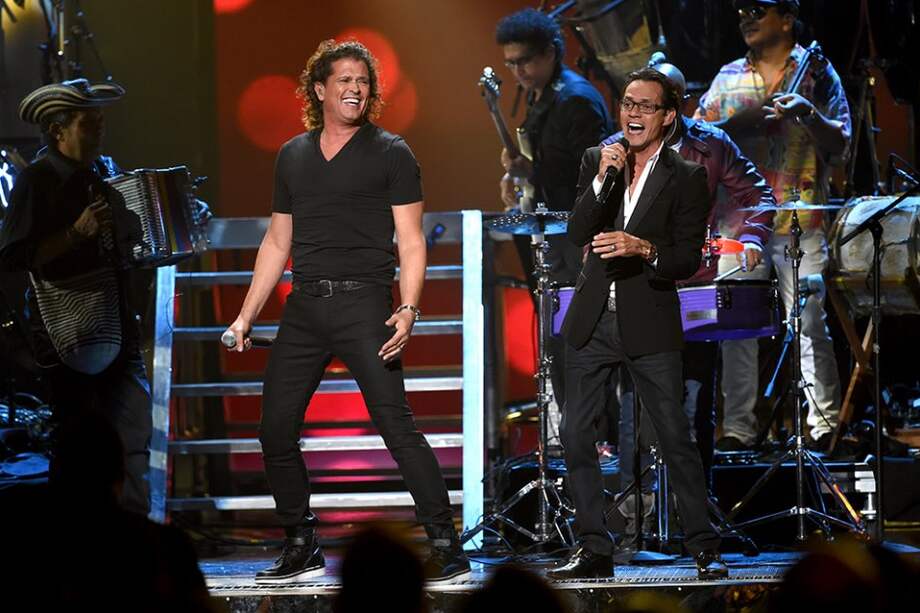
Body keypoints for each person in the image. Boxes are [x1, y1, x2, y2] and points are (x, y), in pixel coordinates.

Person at [224, 39, 468, 584]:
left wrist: (408, 308)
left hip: (365, 305)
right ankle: (301, 542)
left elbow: (411, 240)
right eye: (344, 80)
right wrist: (245, 316)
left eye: (363, 80)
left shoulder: (391, 152)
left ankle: (446, 545)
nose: (355, 88)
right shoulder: (292, 154)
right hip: (305, 306)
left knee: (395, 425)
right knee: (275, 429)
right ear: (319, 90)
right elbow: (276, 241)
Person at [547, 68, 727, 580]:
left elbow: (686, 259)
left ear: (668, 117)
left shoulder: (687, 177)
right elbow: (578, 230)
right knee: (576, 433)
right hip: (591, 318)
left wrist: (642, 247)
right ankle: (594, 545)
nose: (633, 114)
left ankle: (704, 547)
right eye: (628, 103)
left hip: (647, 318)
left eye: (646, 106)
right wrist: (604, 177)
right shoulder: (597, 160)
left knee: (672, 434)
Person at [609, 58, 776, 511]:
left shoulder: (711, 145)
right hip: (635, 286)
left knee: (695, 400)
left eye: (655, 100)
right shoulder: (615, 149)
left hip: (693, 284)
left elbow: (758, 195)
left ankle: (693, 511)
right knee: (637, 403)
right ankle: (635, 511)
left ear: (676, 106)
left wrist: (750, 237)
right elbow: (591, 219)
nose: (641, 111)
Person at [695, 0, 852, 453]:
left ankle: (822, 425)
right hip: (738, 225)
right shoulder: (727, 78)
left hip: (800, 218)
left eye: (757, 9)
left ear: (787, 17)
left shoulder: (818, 72)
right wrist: (736, 125)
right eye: (740, 9)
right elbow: (695, 144)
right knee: (736, 330)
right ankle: (737, 428)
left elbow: (840, 143)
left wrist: (808, 114)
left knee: (808, 323)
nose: (745, 16)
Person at [0, 79, 152, 516]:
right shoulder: (36, 181)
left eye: (101, 120)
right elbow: (12, 255)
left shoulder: (104, 171)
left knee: (133, 435)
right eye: (89, 122)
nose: (100, 129)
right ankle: (81, 546)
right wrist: (73, 234)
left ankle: (134, 541)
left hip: (116, 325)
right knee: (79, 446)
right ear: (57, 130)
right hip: (67, 334)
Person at [496, 8, 612, 426]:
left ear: (550, 52)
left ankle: (597, 435)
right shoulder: (541, 95)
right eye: (511, 64)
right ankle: (574, 431)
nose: (518, 72)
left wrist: (535, 172)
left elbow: (599, 171)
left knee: (579, 340)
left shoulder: (576, 98)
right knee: (558, 340)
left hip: (577, 239)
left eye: (524, 61)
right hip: (554, 235)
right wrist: (518, 175)